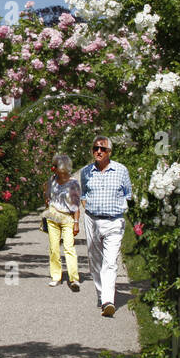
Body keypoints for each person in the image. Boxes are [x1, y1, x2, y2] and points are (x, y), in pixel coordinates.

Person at [79, 135, 132, 317]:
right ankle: (102, 294)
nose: (98, 151)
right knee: (95, 261)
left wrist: (119, 208)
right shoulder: (86, 172)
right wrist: (88, 208)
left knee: (110, 262)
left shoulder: (121, 170)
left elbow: (128, 193)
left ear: (109, 151)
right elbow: (83, 193)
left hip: (114, 221)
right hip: (92, 220)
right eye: (96, 148)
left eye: (102, 149)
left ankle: (108, 300)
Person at [43, 154, 82, 291]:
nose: (55, 170)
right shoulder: (51, 180)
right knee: (54, 248)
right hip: (53, 218)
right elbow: (46, 195)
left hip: (67, 218)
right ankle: (56, 276)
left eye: (58, 168)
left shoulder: (73, 183)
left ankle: (74, 279)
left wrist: (76, 222)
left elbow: (76, 205)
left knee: (69, 248)